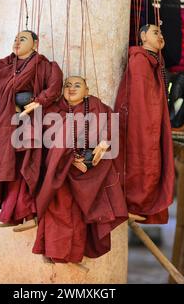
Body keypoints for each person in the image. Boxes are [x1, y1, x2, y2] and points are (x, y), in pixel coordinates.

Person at [32, 76, 128, 264]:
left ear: (87, 90)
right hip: (60, 175)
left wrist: (102, 145)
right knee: (60, 213)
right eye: (67, 85)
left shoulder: (96, 106)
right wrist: (67, 157)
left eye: (78, 85)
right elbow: (48, 140)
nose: (72, 88)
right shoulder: (53, 110)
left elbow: (112, 126)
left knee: (79, 217)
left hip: (88, 173)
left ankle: (76, 254)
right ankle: (56, 253)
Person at [0, 30, 63, 232]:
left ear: (35, 44)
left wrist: (37, 102)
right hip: (9, 120)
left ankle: (30, 214)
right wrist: (16, 106)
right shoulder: (5, 65)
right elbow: (2, 87)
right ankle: (10, 213)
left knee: (28, 165)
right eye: (15, 38)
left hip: (34, 121)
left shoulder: (46, 66)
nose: (17, 42)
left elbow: (54, 88)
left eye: (23, 39)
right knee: (8, 166)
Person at [114, 24, 175, 224]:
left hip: (153, 120)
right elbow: (139, 99)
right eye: (155, 32)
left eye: (161, 32)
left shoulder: (155, 61)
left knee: (154, 163)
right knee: (140, 161)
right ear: (142, 36)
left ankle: (144, 205)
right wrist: (147, 123)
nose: (161, 36)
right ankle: (133, 203)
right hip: (142, 122)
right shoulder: (140, 60)